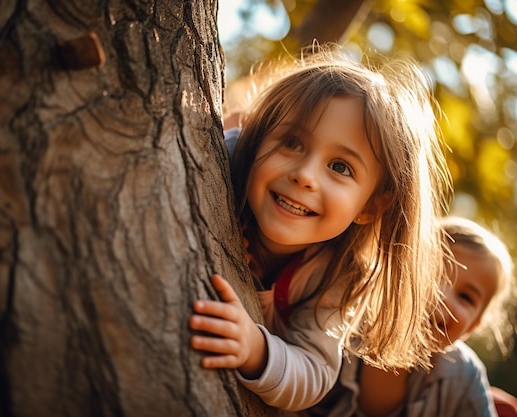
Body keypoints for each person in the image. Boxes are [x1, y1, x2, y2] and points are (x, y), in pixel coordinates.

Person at [189, 46, 452, 411]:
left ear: (371, 206)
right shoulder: (215, 163)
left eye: (340, 167)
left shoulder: (338, 276)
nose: (305, 175)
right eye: (292, 142)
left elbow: (314, 371)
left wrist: (256, 350)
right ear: (261, 135)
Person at [300, 216, 517, 417]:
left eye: (466, 297)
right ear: (403, 271)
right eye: (433, 275)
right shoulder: (341, 326)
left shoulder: (464, 376)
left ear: (471, 328)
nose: (444, 298)